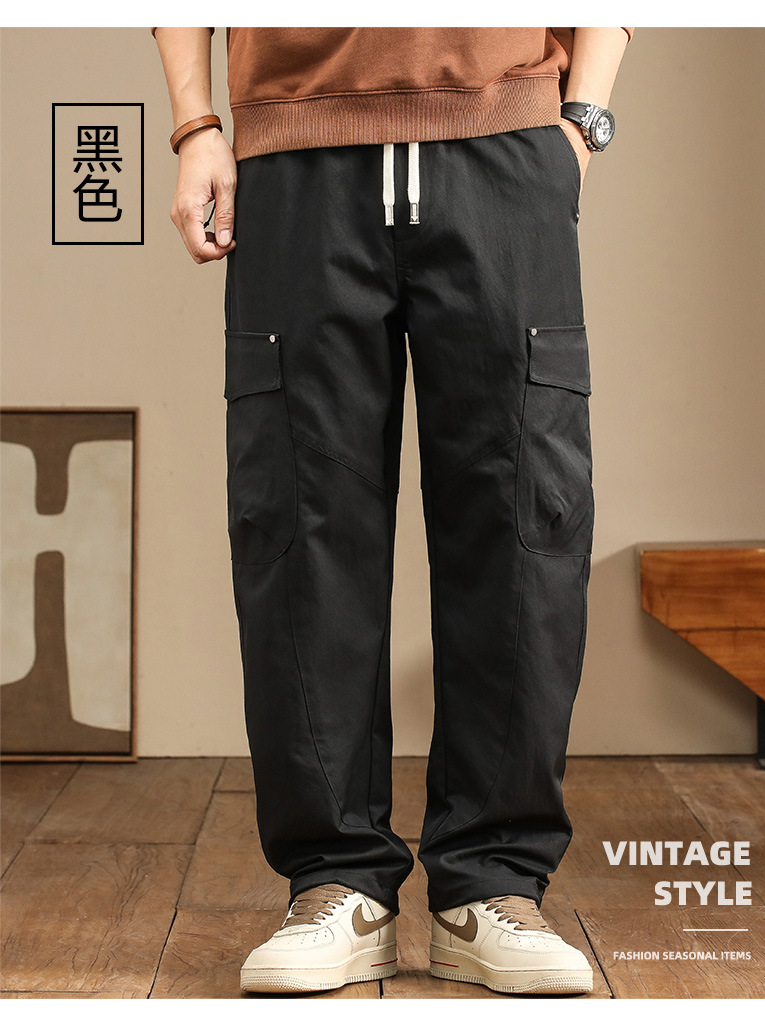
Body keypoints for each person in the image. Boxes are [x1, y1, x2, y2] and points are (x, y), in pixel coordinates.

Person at [153, 26, 633, 997]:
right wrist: (195, 125)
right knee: (299, 518)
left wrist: (581, 118)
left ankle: (493, 884)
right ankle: (335, 883)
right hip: (294, 148)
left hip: (504, 144)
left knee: (521, 516)